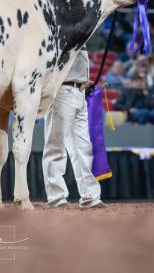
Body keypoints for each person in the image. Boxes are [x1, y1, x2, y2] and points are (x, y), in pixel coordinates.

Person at [42, 48, 106, 209]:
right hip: (62, 90)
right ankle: (56, 196)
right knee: (56, 146)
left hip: (80, 92)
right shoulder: (61, 29)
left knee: (83, 147)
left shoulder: (82, 32)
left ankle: (90, 196)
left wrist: (85, 81)